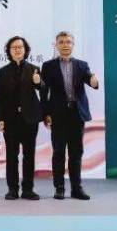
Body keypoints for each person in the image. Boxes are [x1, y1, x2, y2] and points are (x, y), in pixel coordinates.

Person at [41, 31, 99, 201]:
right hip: (58, 115)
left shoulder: (82, 65)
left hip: (77, 114)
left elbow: (91, 81)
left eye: (68, 42)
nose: (65, 45)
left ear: (73, 44)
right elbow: (44, 92)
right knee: (58, 152)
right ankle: (59, 188)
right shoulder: (48, 66)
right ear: (56, 45)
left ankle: (76, 188)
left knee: (76, 153)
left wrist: (94, 82)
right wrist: (46, 113)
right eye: (61, 42)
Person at [0, 36, 44, 201]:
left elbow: (43, 89)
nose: (17, 50)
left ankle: (28, 189)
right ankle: (12, 189)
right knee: (11, 156)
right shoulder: (2, 71)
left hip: (30, 118)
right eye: (14, 47)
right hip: (10, 120)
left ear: (25, 50)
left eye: (20, 47)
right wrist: (0, 119)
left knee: (29, 155)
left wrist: (38, 82)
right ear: (9, 51)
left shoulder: (34, 69)